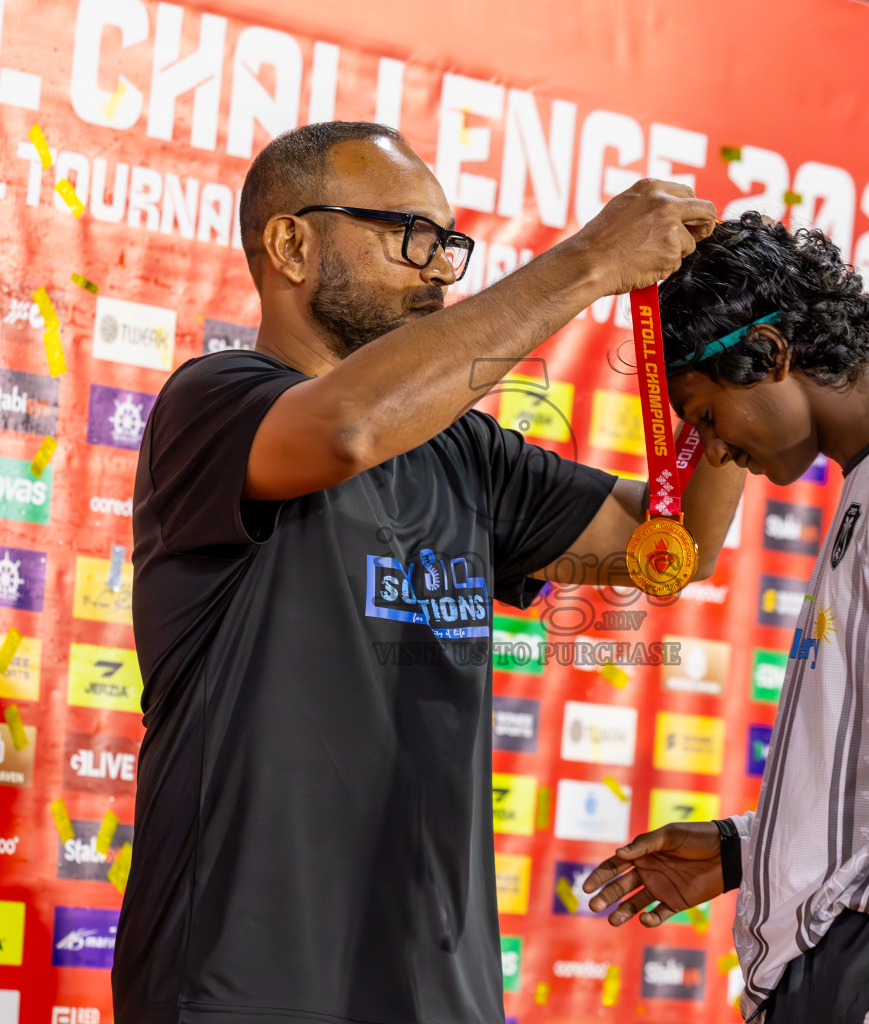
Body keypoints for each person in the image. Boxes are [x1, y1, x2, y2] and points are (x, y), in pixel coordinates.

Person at [114, 121, 744, 1023]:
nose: (439, 270)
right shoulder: (212, 403)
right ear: (290, 244)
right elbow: (346, 428)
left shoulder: (463, 453)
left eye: (449, 244)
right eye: (410, 236)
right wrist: (589, 264)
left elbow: (671, 547)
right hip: (241, 982)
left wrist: (729, 342)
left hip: (435, 991)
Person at [583, 213, 869, 1024]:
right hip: (853, 967)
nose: (719, 453)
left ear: (767, 356)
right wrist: (747, 846)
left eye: (705, 418)